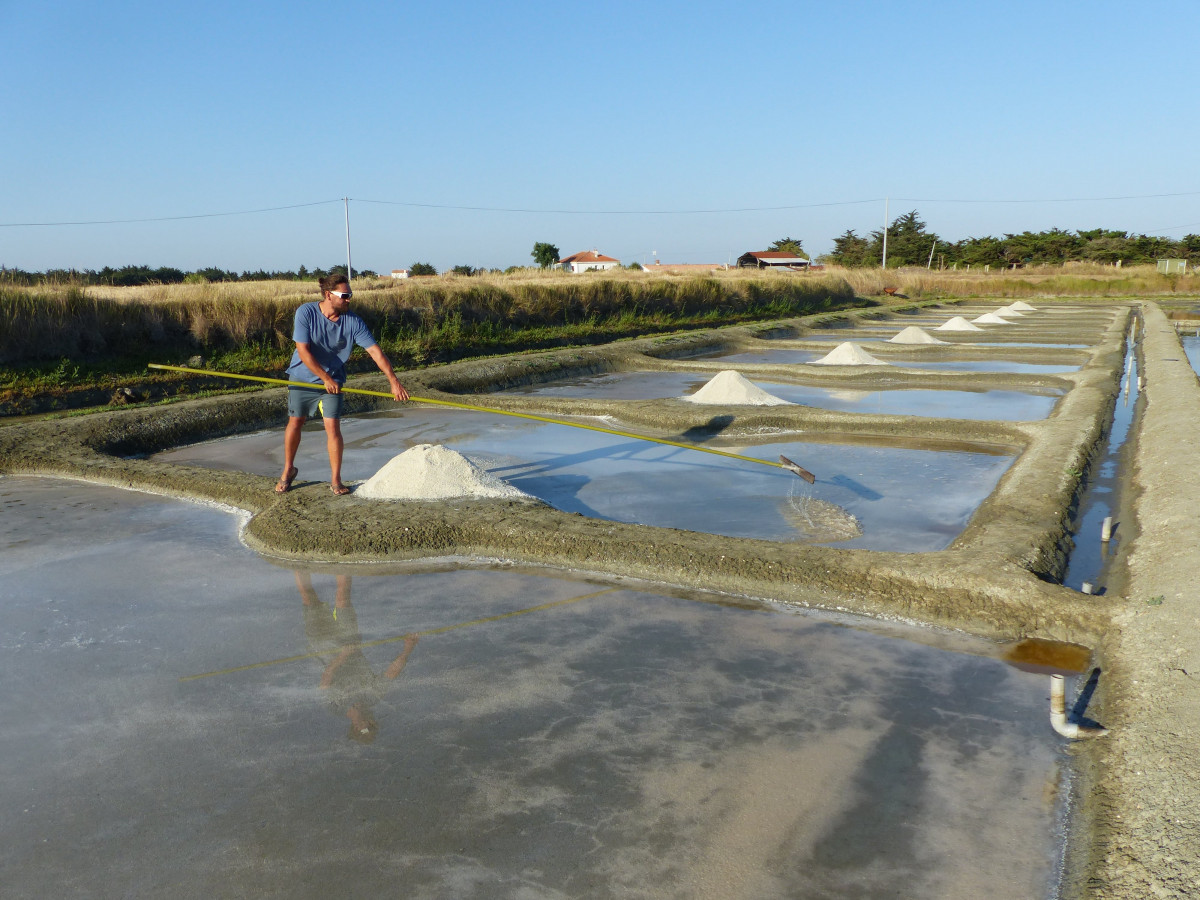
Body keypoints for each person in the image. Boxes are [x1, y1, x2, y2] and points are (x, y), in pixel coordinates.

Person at [276, 273, 409, 494]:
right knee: (295, 421)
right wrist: (324, 378)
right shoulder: (306, 312)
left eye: (350, 296)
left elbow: (375, 351)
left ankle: (336, 480)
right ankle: (288, 470)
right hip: (302, 377)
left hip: (334, 379)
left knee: (332, 426)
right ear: (329, 295)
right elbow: (303, 351)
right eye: (345, 296)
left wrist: (393, 381)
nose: (349, 300)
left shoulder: (353, 321)